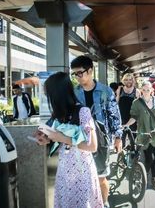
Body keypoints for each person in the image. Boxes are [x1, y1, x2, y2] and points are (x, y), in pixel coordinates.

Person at [33, 72, 103, 208]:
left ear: (58, 94)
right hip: (64, 173)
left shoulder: (83, 111)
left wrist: (62, 138)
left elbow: (92, 146)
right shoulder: (58, 114)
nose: (49, 98)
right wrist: (45, 138)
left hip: (82, 173)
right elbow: (54, 138)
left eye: (50, 95)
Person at [71, 55, 122, 207]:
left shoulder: (105, 91)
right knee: (82, 177)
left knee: (100, 177)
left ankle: (104, 203)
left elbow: (114, 115)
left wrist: (118, 137)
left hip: (101, 141)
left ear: (90, 70)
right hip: (80, 140)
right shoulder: (74, 93)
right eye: (75, 74)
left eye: (80, 72)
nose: (78, 77)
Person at [123, 81, 155, 190]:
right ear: (141, 90)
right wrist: (126, 125)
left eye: (148, 89)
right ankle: (145, 176)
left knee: (154, 157)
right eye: (144, 90)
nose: (146, 92)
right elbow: (134, 117)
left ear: (152, 90)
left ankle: (154, 179)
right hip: (144, 133)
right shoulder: (137, 103)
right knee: (148, 157)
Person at [116, 73, 140, 147]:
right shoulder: (120, 89)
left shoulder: (136, 91)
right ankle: (122, 153)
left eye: (130, 79)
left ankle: (132, 153)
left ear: (133, 80)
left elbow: (139, 107)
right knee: (121, 138)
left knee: (132, 138)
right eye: (126, 80)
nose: (128, 81)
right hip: (121, 117)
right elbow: (116, 102)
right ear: (123, 81)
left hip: (132, 118)